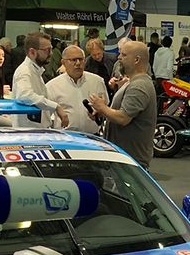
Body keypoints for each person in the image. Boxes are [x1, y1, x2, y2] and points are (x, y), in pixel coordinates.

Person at [88, 38, 157, 168]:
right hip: (124, 157)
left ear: (136, 60)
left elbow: (123, 118)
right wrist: (103, 112)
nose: (119, 57)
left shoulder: (139, 86)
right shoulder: (132, 82)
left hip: (130, 159)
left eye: (124, 55)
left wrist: (102, 107)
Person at [10, 31, 68, 129]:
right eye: (47, 50)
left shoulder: (35, 70)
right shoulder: (24, 71)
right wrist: (56, 106)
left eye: (51, 49)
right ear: (32, 52)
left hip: (36, 130)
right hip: (29, 133)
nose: (51, 53)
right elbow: (25, 95)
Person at [46, 44, 107, 134]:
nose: (78, 63)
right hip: (65, 137)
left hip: (92, 136)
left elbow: (105, 107)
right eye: (73, 60)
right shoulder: (52, 86)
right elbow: (46, 117)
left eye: (81, 59)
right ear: (63, 62)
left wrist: (100, 112)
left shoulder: (97, 81)